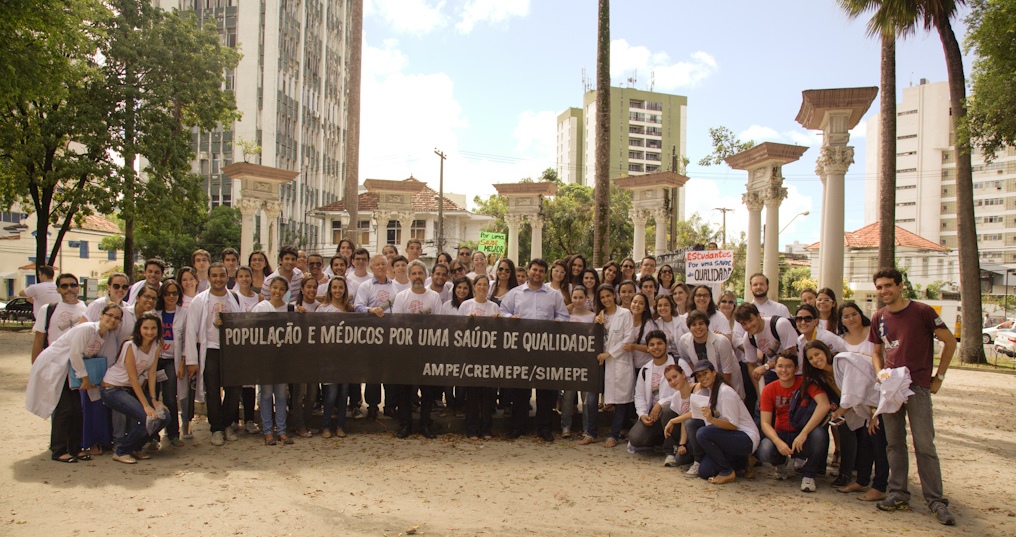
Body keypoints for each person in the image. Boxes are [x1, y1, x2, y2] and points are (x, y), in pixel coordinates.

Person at [868, 268, 956, 524]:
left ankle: (936, 501)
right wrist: (880, 373)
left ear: (900, 285)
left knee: (924, 445)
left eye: (888, 286)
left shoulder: (922, 312)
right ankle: (898, 493)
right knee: (894, 443)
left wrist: (938, 377)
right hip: (892, 389)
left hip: (917, 386)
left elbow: (949, 341)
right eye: (880, 287)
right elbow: (876, 351)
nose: (884, 291)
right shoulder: (878, 317)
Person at [26, 303, 123, 463]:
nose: (112, 319)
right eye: (109, 315)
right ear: (101, 315)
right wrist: (85, 378)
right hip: (56, 366)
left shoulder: (102, 335)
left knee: (77, 411)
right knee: (64, 410)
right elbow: (75, 354)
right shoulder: (87, 328)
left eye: (116, 318)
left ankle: (75, 448)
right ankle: (58, 450)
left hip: (71, 372)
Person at [499, 259, 570, 442]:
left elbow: (564, 316)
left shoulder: (553, 296)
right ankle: (518, 427)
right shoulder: (515, 294)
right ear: (528, 271)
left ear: (544, 274)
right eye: (534, 270)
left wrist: (558, 322)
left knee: (545, 391)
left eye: (540, 271)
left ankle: (544, 429)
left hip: (545, 350)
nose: (537, 273)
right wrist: (510, 317)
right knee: (520, 390)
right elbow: (503, 311)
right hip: (520, 349)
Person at [184, 262, 243, 446]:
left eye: (222, 275)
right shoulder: (200, 300)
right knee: (213, 390)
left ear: (227, 277)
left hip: (231, 351)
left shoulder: (234, 298)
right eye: (214, 276)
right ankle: (216, 428)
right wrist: (192, 360)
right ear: (209, 278)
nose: (218, 279)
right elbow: (190, 330)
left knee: (233, 389)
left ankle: (227, 425)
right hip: (210, 349)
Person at [757, 349, 831, 493]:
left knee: (819, 435)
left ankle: (809, 474)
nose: (784, 370)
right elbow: (765, 423)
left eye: (789, 366)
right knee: (765, 450)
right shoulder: (769, 389)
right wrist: (778, 442)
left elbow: (824, 404)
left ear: (796, 368)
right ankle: (781, 463)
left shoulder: (806, 384)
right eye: (780, 366)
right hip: (782, 433)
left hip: (802, 432)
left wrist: (804, 433)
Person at [802, 340, 872, 490]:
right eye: (811, 358)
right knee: (845, 431)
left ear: (826, 352)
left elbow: (854, 391)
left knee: (867, 440)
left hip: (869, 405)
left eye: (817, 354)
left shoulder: (842, 363)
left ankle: (856, 477)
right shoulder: (821, 375)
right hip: (849, 410)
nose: (815, 360)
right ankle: (845, 474)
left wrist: (840, 410)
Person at [99, 312, 168, 464]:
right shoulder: (130, 345)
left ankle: (136, 447)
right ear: (139, 329)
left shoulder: (157, 344)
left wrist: (154, 400)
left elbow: (151, 372)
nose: (149, 332)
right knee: (147, 418)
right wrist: (146, 405)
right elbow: (132, 378)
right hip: (112, 389)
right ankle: (122, 451)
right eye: (145, 328)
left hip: (130, 389)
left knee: (164, 417)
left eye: (153, 328)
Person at [837, 301, 889, 501]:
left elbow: (881, 359)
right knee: (865, 440)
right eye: (846, 316)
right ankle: (862, 480)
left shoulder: (873, 333)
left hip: (878, 392)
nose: (851, 319)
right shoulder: (842, 340)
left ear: (861, 314)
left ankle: (880, 485)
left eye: (854, 314)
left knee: (878, 439)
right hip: (857, 398)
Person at [391, 260, 445, 439]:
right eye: (413, 274)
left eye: (420, 274)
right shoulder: (401, 297)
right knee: (404, 390)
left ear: (425, 275)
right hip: (406, 351)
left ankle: (425, 424)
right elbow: (397, 323)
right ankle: (405, 424)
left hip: (428, 350)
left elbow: (438, 323)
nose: (417, 277)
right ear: (408, 276)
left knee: (428, 390)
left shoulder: (434, 297)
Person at [689, 360, 759, 484]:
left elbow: (732, 425)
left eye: (705, 373)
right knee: (705, 471)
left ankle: (727, 471)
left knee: (703, 433)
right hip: (730, 437)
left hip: (745, 436)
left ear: (714, 373)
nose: (702, 378)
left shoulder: (725, 392)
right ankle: (743, 462)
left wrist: (711, 419)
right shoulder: (712, 391)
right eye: (699, 376)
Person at [586, 284, 634, 447]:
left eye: (608, 295)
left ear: (614, 295)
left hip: (617, 361)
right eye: (602, 297)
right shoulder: (600, 316)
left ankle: (614, 435)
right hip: (599, 361)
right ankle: (591, 433)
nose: (606, 299)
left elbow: (628, 338)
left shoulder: (625, 314)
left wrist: (610, 354)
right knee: (592, 398)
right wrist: (596, 323)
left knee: (620, 400)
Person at [353, 254, 397, 420]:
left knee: (390, 372)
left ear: (387, 267)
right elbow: (357, 307)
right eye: (377, 265)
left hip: (391, 336)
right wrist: (370, 310)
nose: (380, 267)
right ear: (371, 268)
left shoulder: (395, 286)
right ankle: (372, 406)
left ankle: (390, 406)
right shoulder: (365, 286)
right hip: (372, 336)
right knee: (373, 373)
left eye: (383, 264)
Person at [251, 277, 294, 445]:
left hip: (282, 358)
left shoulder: (289, 309)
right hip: (265, 358)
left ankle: (282, 431)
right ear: (269, 288)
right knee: (267, 394)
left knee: (282, 395)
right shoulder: (261, 307)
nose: (277, 291)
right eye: (274, 288)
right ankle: (268, 431)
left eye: (281, 289)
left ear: (286, 291)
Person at [458, 274, 500, 440]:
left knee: (488, 395)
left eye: (485, 284)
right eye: (479, 284)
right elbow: (458, 327)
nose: (482, 287)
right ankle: (472, 429)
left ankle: (487, 429)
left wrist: (498, 320)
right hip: (471, 355)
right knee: (473, 394)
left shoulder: (494, 307)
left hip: (489, 356)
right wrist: (468, 321)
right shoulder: (466, 305)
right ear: (474, 287)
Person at [628, 330, 678, 452]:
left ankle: (670, 450)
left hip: (675, 412)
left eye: (659, 343)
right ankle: (661, 440)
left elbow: (686, 391)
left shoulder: (678, 364)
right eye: (652, 344)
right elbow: (639, 396)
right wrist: (643, 414)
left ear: (666, 345)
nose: (656, 347)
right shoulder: (645, 370)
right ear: (648, 349)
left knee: (667, 409)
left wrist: (661, 403)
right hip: (653, 414)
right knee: (635, 438)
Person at [677, 310, 743, 401]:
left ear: (707, 325)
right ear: (689, 328)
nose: (698, 327)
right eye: (693, 325)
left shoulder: (722, 342)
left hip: (726, 381)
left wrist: (717, 396)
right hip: (706, 382)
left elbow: (727, 374)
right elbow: (691, 363)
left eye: (701, 323)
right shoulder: (683, 342)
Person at [317, 275, 353, 438]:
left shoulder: (350, 310)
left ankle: (340, 426)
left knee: (343, 394)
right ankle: (325, 426)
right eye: (334, 287)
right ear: (330, 290)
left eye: (340, 287)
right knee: (330, 394)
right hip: (329, 359)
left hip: (346, 359)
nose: (337, 291)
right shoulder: (322, 309)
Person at [154, 280, 188, 447]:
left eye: (174, 293)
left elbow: (187, 341)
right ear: (162, 295)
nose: (171, 297)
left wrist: (182, 363)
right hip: (154, 360)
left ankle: (173, 433)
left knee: (170, 397)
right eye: (167, 293)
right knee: (152, 396)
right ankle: (153, 436)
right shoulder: (155, 313)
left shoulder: (184, 313)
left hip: (171, 361)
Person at [735, 303, 799, 386]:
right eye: (744, 323)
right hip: (774, 371)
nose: (748, 326)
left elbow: (791, 354)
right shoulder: (748, 338)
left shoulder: (780, 324)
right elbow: (751, 365)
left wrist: (766, 366)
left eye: (750, 320)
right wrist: (759, 394)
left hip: (795, 371)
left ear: (758, 316)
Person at [288, 275, 320, 438]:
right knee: (299, 393)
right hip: (298, 357)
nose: (312, 290)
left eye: (314, 287)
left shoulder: (320, 307)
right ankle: (298, 425)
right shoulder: (293, 307)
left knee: (312, 394)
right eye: (308, 287)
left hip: (315, 357)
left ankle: (307, 423)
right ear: (302, 289)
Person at [31, 273, 87, 365]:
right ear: (58, 290)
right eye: (64, 286)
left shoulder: (89, 309)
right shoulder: (47, 310)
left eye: (73, 285)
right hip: (55, 363)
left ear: (78, 288)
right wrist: (35, 367)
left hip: (81, 362)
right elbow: (39, 340)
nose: (69, 289)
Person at [562, 286, 595, 438]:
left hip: (586, 362)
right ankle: (565, 427)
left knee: (586, 398)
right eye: (575, 297)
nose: (578, 300)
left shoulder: (593, 317)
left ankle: (587, 428)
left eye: (581, 297)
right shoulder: (565, 315)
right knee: (568, 396)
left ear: (586, 298)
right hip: (569, 360)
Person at [795, 303, 845, 371]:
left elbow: (841, 360)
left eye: (808, 319)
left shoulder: (826, 338)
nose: (803, 322)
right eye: (799, 319)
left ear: (815, 321)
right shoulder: (800, 341)